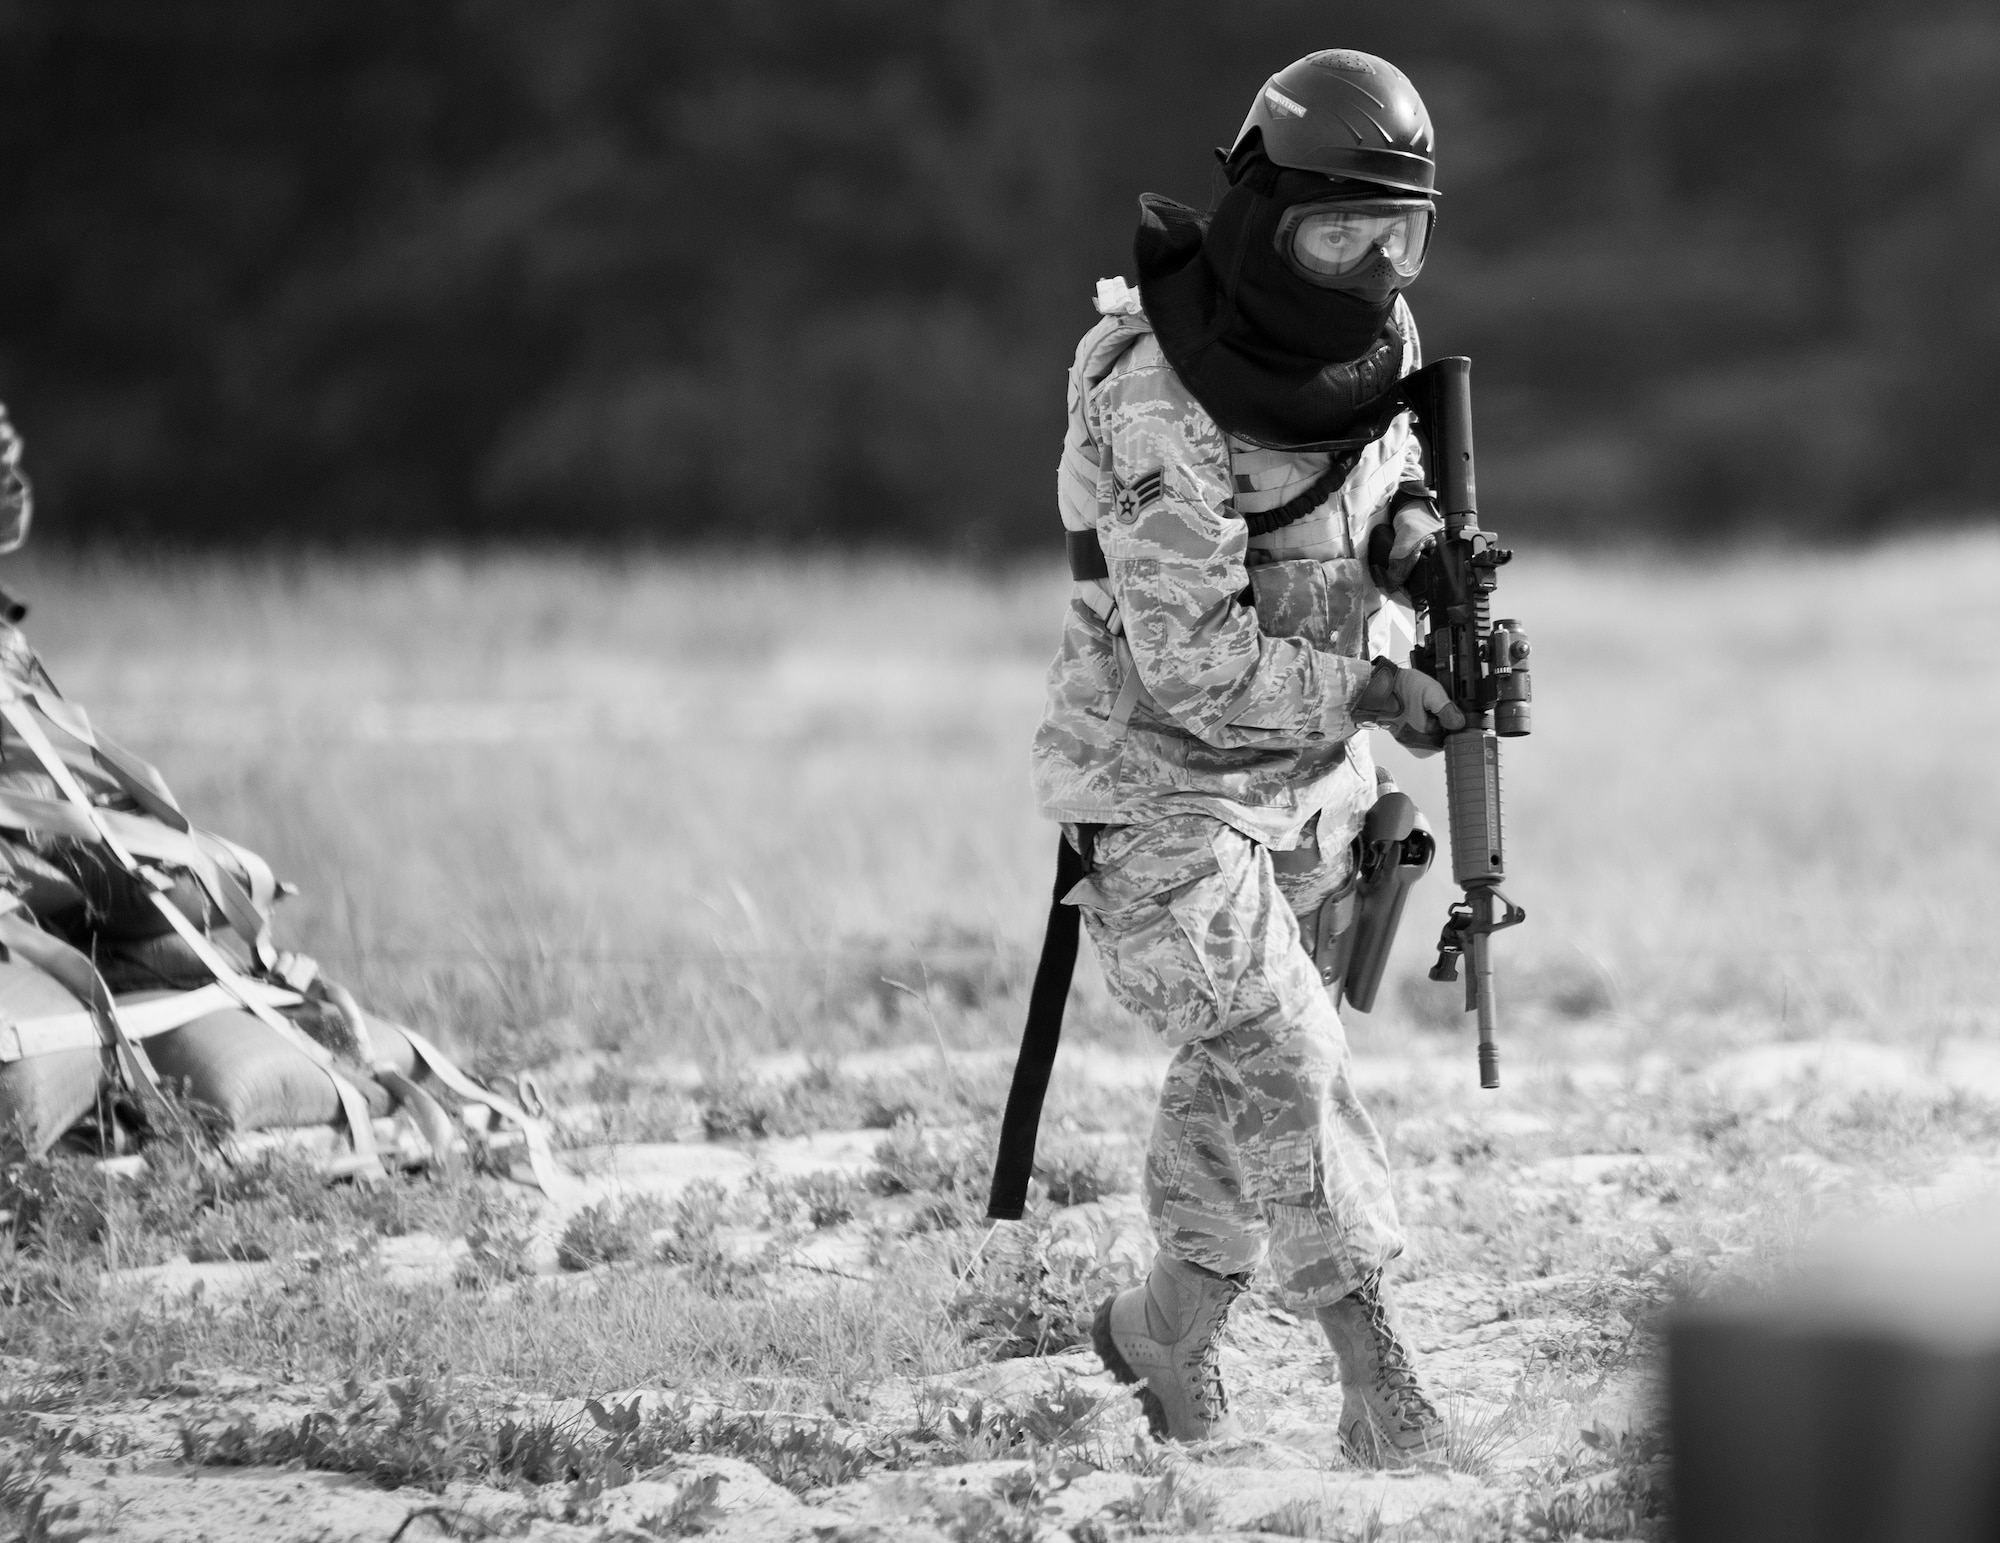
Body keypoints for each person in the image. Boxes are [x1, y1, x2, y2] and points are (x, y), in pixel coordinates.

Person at [1029, 49, 1462, 1465]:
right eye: (1342, 234)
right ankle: (1380, 1387)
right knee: (1285, 1046)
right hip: (1160, 784)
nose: (1375, 265)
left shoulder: (1376, 344)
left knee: (1241, 1072)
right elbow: (1196, 665)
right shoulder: (1158, 389)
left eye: (1400, 234)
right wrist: (1377, 687)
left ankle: (1167, 1328)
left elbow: (1377, 485)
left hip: (1309, 784)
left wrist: (1424, 553)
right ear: (1268, 221)